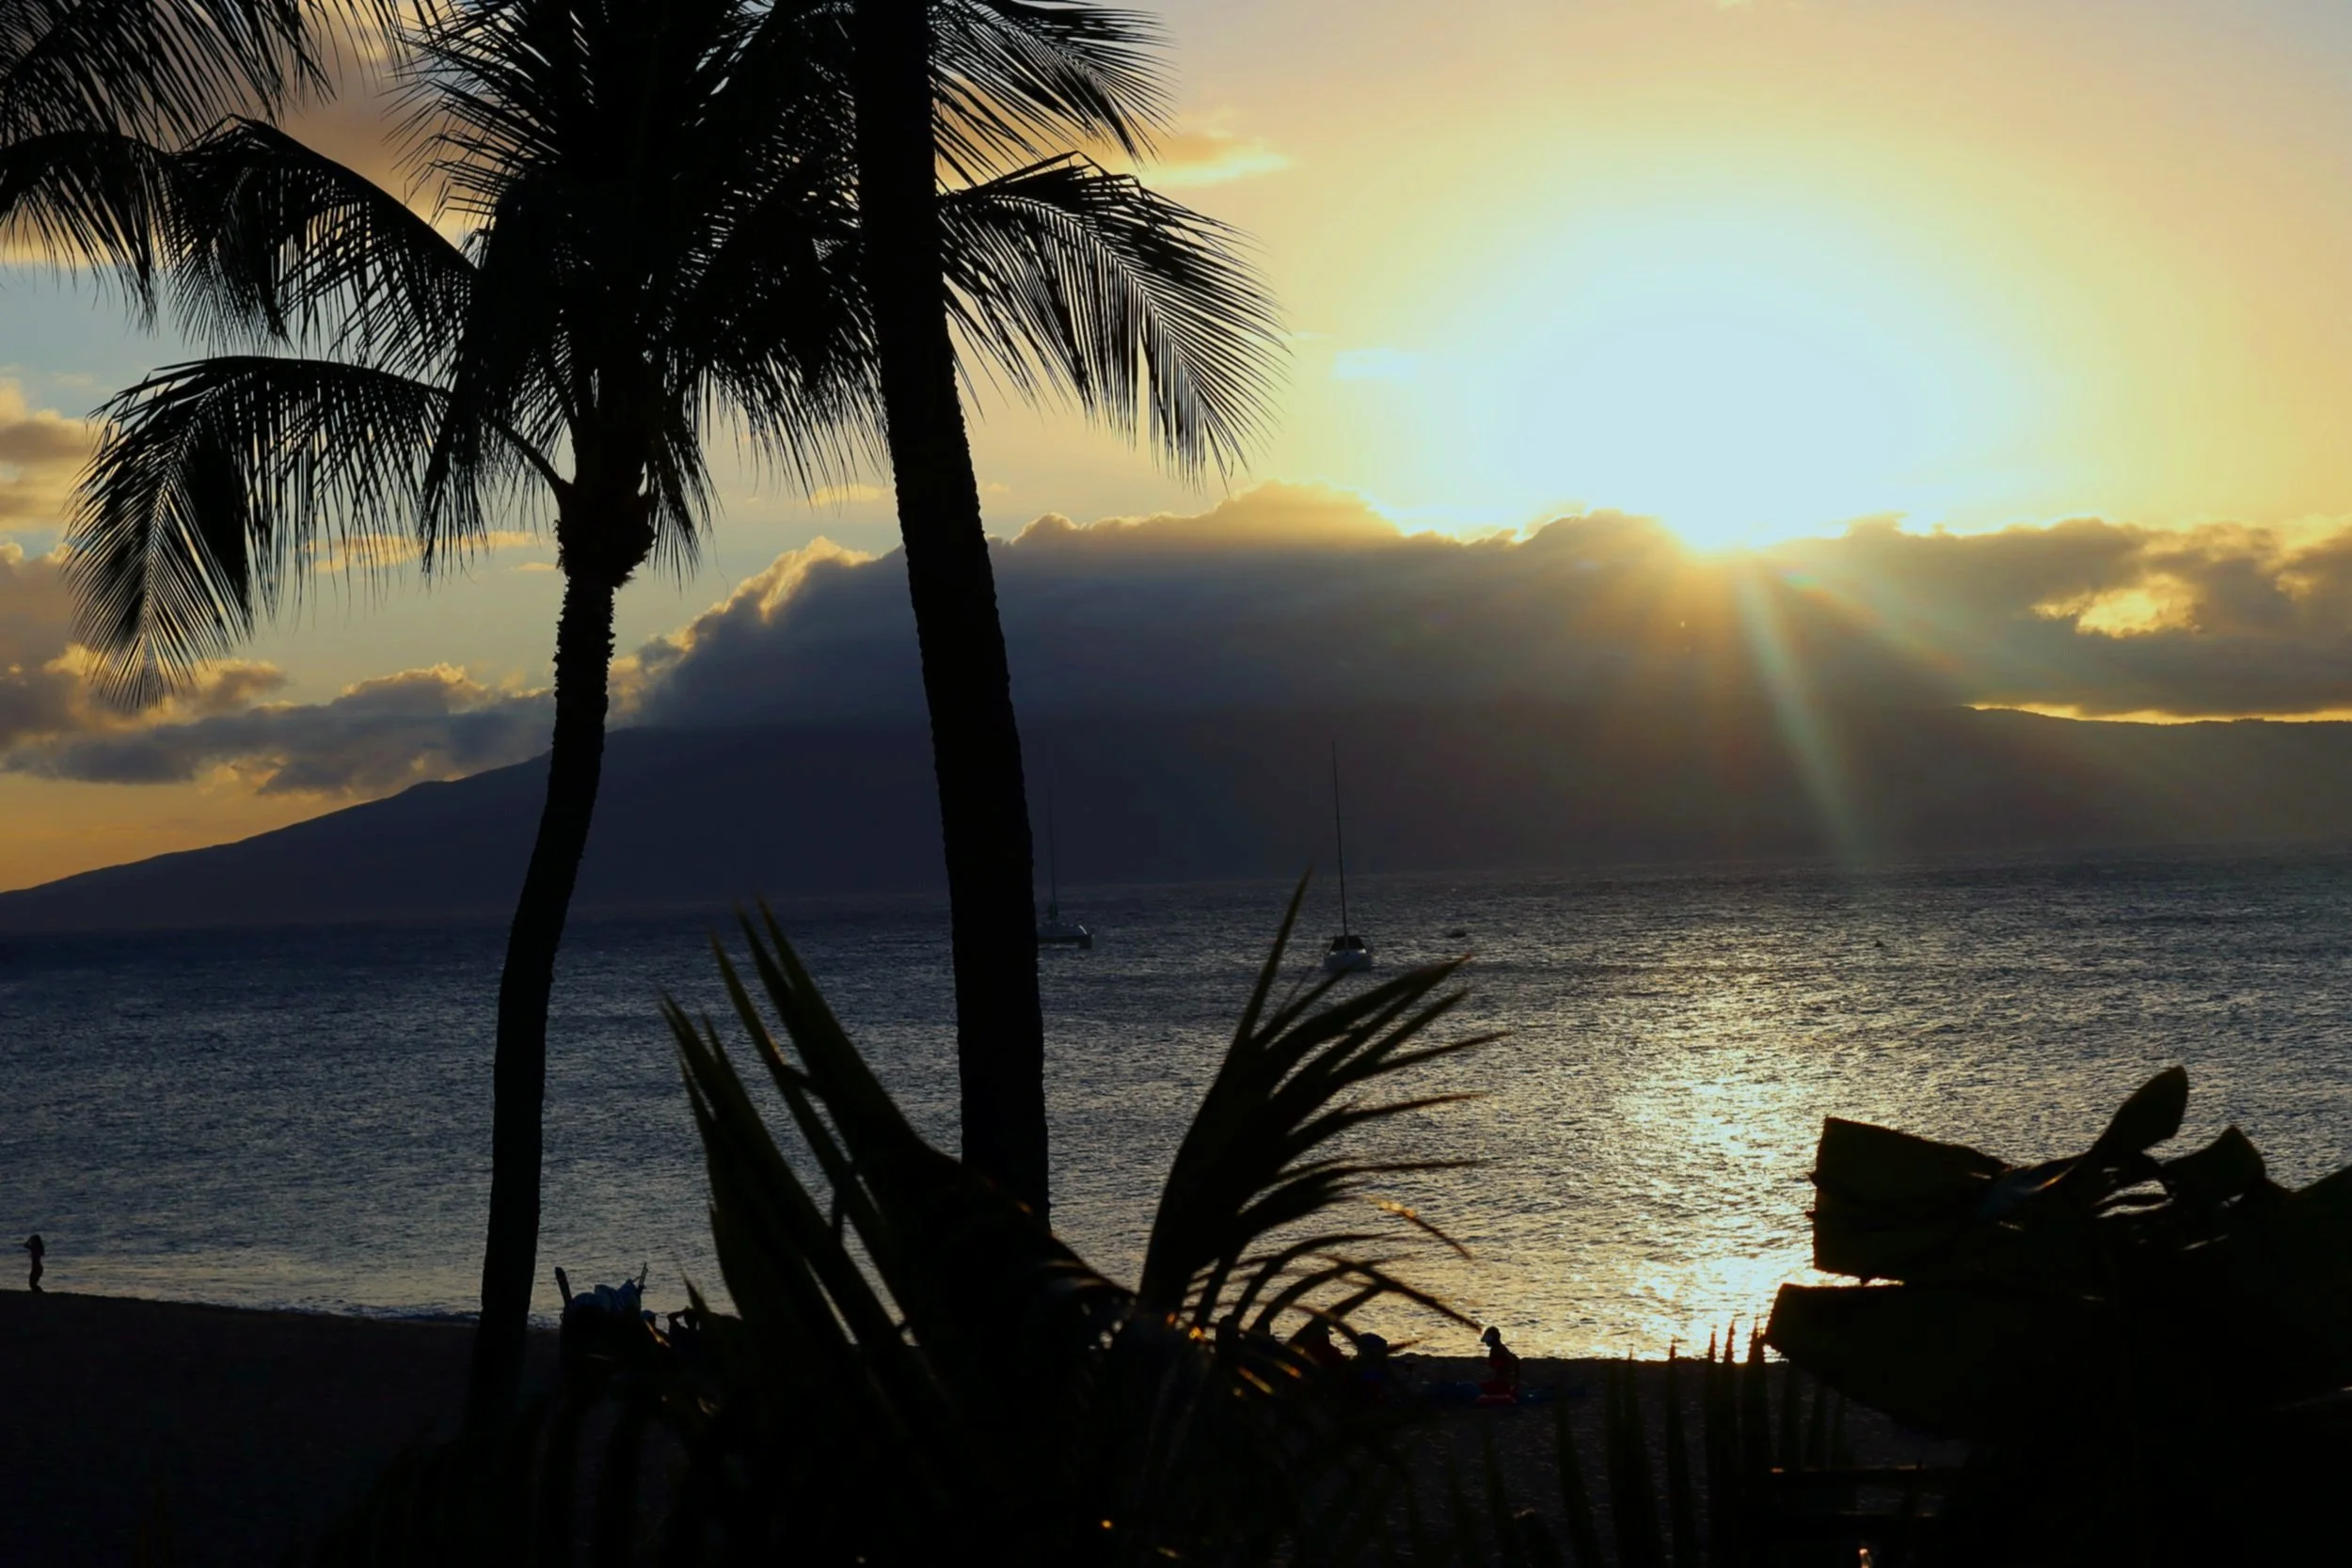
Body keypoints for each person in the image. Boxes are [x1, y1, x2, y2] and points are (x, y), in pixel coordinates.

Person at [1476, 1324, 1521, 1405]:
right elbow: (1516, 1361)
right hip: (1507, 1383)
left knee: (1477, 1387)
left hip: (1501, 1385)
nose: (1486, 1342)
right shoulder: (1503, 1348)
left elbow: (1494, 1371)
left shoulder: (1496, 1351)